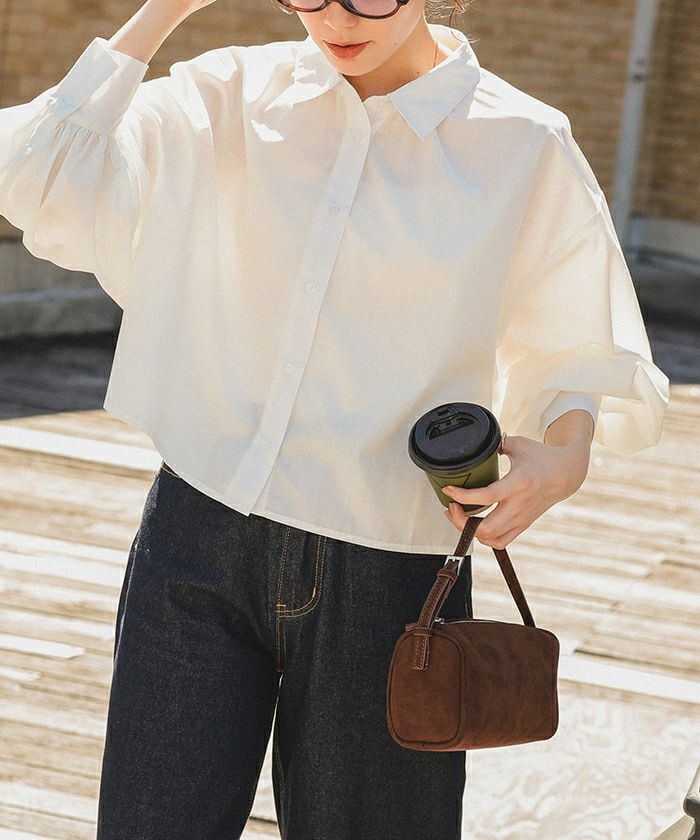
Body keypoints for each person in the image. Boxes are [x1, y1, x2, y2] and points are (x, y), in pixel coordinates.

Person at [0, 0, 669, 836]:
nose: (338, 17)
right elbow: (36, 172)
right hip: (198, 537)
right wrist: (164, 9)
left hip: (392, 574)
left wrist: (564, 460)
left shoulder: (523, 143)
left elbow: (577, 348)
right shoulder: (228, 93)